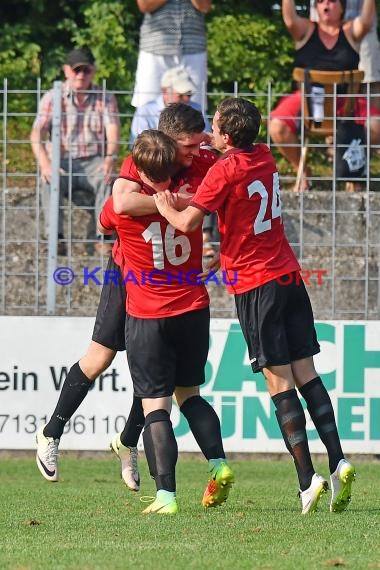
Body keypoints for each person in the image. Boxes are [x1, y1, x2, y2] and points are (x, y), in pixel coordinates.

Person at [154, 97, 355, 514]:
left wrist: (163, 204)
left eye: (216, 126)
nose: (210, 130)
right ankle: (338, 461)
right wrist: (223, 253)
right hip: (288, 276)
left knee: (278, 385)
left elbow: (189, 223)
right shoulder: (263, 155)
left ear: (227, 136)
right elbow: (246, 217)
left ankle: (307, 481)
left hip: (256, 285)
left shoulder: (225, 170)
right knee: (307, 375)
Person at [35, 106, 230, 512]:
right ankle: (51, 433)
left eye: (201, 142)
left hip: (161, 281)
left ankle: (127, 444)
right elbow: (121, 205)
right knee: (100, 357)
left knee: (153, 373)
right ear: (169, 141)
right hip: (128, 274)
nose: (198, 150)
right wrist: (180, 201)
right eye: (191, 145)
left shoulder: (206, 159)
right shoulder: (145, 158)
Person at [98, 128, 234, 514]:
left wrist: (147, 198)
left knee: (156, 406)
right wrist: (172, 200)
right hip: (193, 308)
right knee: (190, 396)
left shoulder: (126, 203)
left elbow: (112, 213)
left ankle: (166, 496)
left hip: (149, 316)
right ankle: (219, 463)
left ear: (138, 171)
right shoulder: (189, 201)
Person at [269, 0, 380, 191]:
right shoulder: (306, 30)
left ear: (342, 7)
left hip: (348, 101)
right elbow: (289, 20)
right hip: (308, 100)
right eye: (321, 1)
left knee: (377, 125)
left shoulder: (351, 31)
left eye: (332, 1)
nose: (326, 4)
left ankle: (353, 170)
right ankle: (302, 170)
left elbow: (367, 20)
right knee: (277, 126)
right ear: (316, 7)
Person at [30, 46, 120, 255]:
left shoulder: (105, 97)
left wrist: (110, 159)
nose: (81, 75)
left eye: (86, 70)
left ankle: (104, 237)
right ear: (66, 70)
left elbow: (113, 130)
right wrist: (45, 164)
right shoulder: (53, 97)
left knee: (108, 177)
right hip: (61, 161)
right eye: (76, 70)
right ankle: (55, 238)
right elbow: (36, 133)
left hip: (93, 160)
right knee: (48, 179)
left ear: (93, 71)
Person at [132, 0, 211, 109]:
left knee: (195, 107)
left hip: (193, 47)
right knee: (146, 105)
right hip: (154, 46)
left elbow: (205, 6)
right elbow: (144, 5)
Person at [130, 65, 211, 144]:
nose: (187, 99)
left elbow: (206, 141)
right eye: (181, 95)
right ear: (164, 90)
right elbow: (139, 146)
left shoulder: (197, 108)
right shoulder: (145, 112)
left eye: (189, 94)